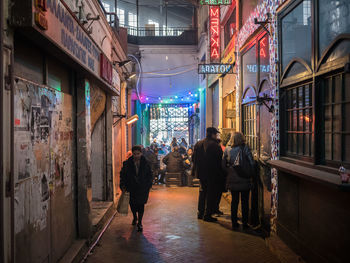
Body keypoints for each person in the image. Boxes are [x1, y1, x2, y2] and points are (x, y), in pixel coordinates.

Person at [222, 132, 255, 230]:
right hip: (244, 178)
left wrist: (229, 172)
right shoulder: (245, 148)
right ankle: (245, 223)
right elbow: (252, 163)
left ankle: (234, 222)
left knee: (234, 201)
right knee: (245, 202)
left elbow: (223, 164)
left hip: (233, 178)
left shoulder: (227, 149)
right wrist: (251, 173)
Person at [192, 127, 224, 222]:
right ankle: (207, 214)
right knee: (210, 193)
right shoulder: (215, 145)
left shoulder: (199, 144)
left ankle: (200, 213)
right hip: (212, 173)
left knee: (202, 192)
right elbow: (219, 160)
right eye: (216, 134)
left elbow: (193, 158)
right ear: (212, 134)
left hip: (201, 173)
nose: (216, 136)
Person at [120, 145, 153, 232]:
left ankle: (140, 222)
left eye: (138, 154)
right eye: (134, 154)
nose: (136, 156)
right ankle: (135, 217)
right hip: (131, 188)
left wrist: (148, 185)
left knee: (141, 205)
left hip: (142, 188)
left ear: (141, 153)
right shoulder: (127, 164)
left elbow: (150, 175)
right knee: (133, 205)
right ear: (132, 154)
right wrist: (123, 185)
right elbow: (123, 175)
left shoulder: (146, 163)